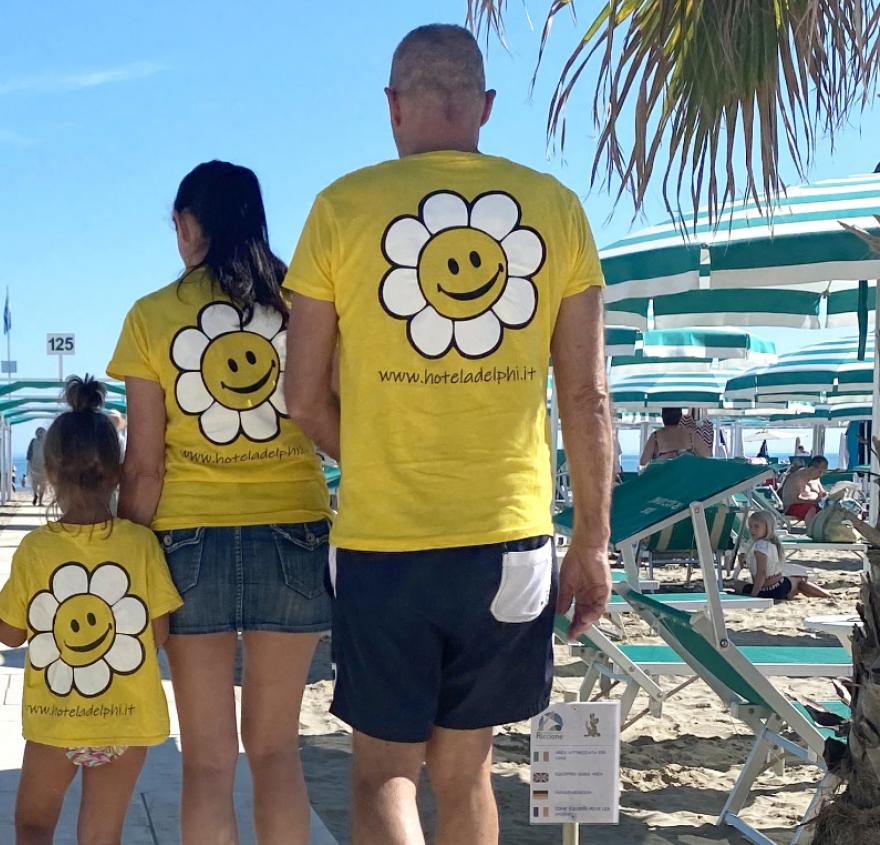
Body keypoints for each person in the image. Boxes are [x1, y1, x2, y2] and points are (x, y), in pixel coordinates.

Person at [281, 25, 614, 845]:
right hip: (510, 540)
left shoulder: (340, 209)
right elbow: (587, 395)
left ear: (393, 108)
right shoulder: (557, 208)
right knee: (468, 775)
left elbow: (301, 393)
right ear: (486, 107)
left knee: (385, 774)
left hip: (385, 541)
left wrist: (379, 458)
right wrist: (594, 542)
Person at [109, 159, 332, 844]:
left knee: (206, 762)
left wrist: (124, 564)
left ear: (183, 224)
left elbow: (144, 466)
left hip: (188, 541)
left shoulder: (150, 316)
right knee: (274, 752)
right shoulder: (304, 303)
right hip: (292, 533)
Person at [0, 377, 182, 843]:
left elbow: (12, 634)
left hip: (56, 720)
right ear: (117, 472)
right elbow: (158, 634)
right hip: (127, 720)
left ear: (49, 472)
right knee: (101, 834)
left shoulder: (36, 550)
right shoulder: (140, 544)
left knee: (35, 825)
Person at [735, 511, 833, 600]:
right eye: (750, 526)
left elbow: (762, 573)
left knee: (733, 584)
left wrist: (753, 595)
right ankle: (826, 595)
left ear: (767, 527)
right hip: (776, 588)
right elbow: (762, 571)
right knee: (798, 581)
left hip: (765, 590)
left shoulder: (760, 545)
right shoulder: (770, 543)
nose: (752, 530)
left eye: (756, 526)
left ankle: (822, 594)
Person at [639, 407, 707, 469]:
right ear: (680, 417)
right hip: (686, 478)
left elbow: (643, 461)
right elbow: (706, 455)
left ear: (663, 417)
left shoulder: (655, 436)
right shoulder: (690, 435)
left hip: (665, 479)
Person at [781, 456, 829, 523]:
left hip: (813, 505)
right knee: (813, 509)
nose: (821, 475)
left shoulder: (815, 477)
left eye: (823, 472)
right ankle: (811, 530)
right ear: (812, 468)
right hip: (793, 507)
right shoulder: (798, 478)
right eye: (820, 472)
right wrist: (816, 502)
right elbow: (796, 499)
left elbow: (822, 493)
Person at [27, 427, 49, 506]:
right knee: (43, 483)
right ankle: (40, 501)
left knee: (35, 482)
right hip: (43, 465)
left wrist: (29, 463)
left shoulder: (33, 441)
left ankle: (35, 494)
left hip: (34, 464)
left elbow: (29, 453)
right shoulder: (47, 442)